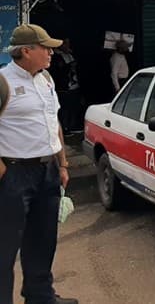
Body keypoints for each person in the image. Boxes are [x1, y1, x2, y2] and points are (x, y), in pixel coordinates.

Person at [0, 24, 78, 304]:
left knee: (43, 238)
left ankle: (40, 296)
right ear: (25, 51)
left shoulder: (46, 79)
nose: (51, 53)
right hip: (14, 173)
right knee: (5, 246)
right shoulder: (4, 81)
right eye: (45, 48)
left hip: (48, 171)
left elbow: (51, 120)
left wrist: (63, 163)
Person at [50, 38, 83, 134]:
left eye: (69, 44)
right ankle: (64, 128)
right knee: (64, 109)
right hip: (63, 87)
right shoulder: (55, 56)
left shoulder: (69, 54)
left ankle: (72, 126)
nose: (68, 46)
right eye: (65, 44)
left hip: (74, 85)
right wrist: (69, 65)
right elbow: (57, 71)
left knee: (73, 106)